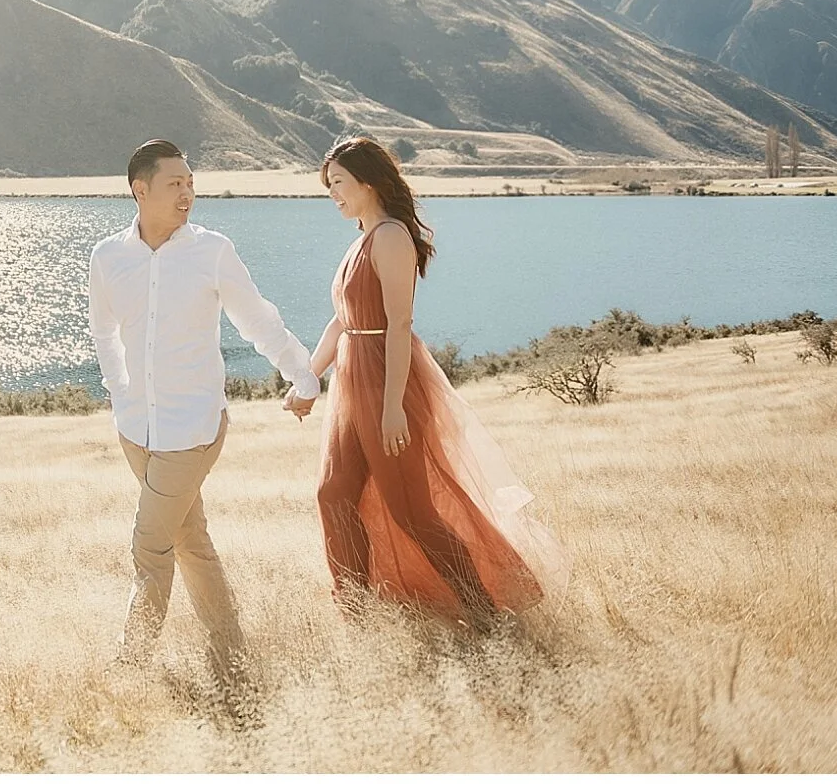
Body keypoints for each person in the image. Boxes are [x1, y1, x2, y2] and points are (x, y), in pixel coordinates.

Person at [302, 135, 569, 624]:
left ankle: (485, 610)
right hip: (352, 377)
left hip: (387, 380)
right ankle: (358, 614)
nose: (333, 194)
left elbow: (399, 324)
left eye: (338, 183)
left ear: (368, 182)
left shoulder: (389, 237)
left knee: (412, 511)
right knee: (333, 492)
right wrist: (307, 379)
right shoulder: (360, 239)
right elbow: (341, 319)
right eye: (329, 186)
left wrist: (390, 407)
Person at [88, 137, 322, 676]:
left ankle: (131, 666)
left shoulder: (211, 251)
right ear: (139, 190)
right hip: (136, 429)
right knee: (188, 538)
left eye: (191, 182)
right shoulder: (108, 257)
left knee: (150, 545)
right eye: (176, 183)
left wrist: (303, 374)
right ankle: (231, 651)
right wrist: (119, 390)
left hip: (191, 428)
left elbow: (258, 319)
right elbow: (104, 331)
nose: (188, 191)